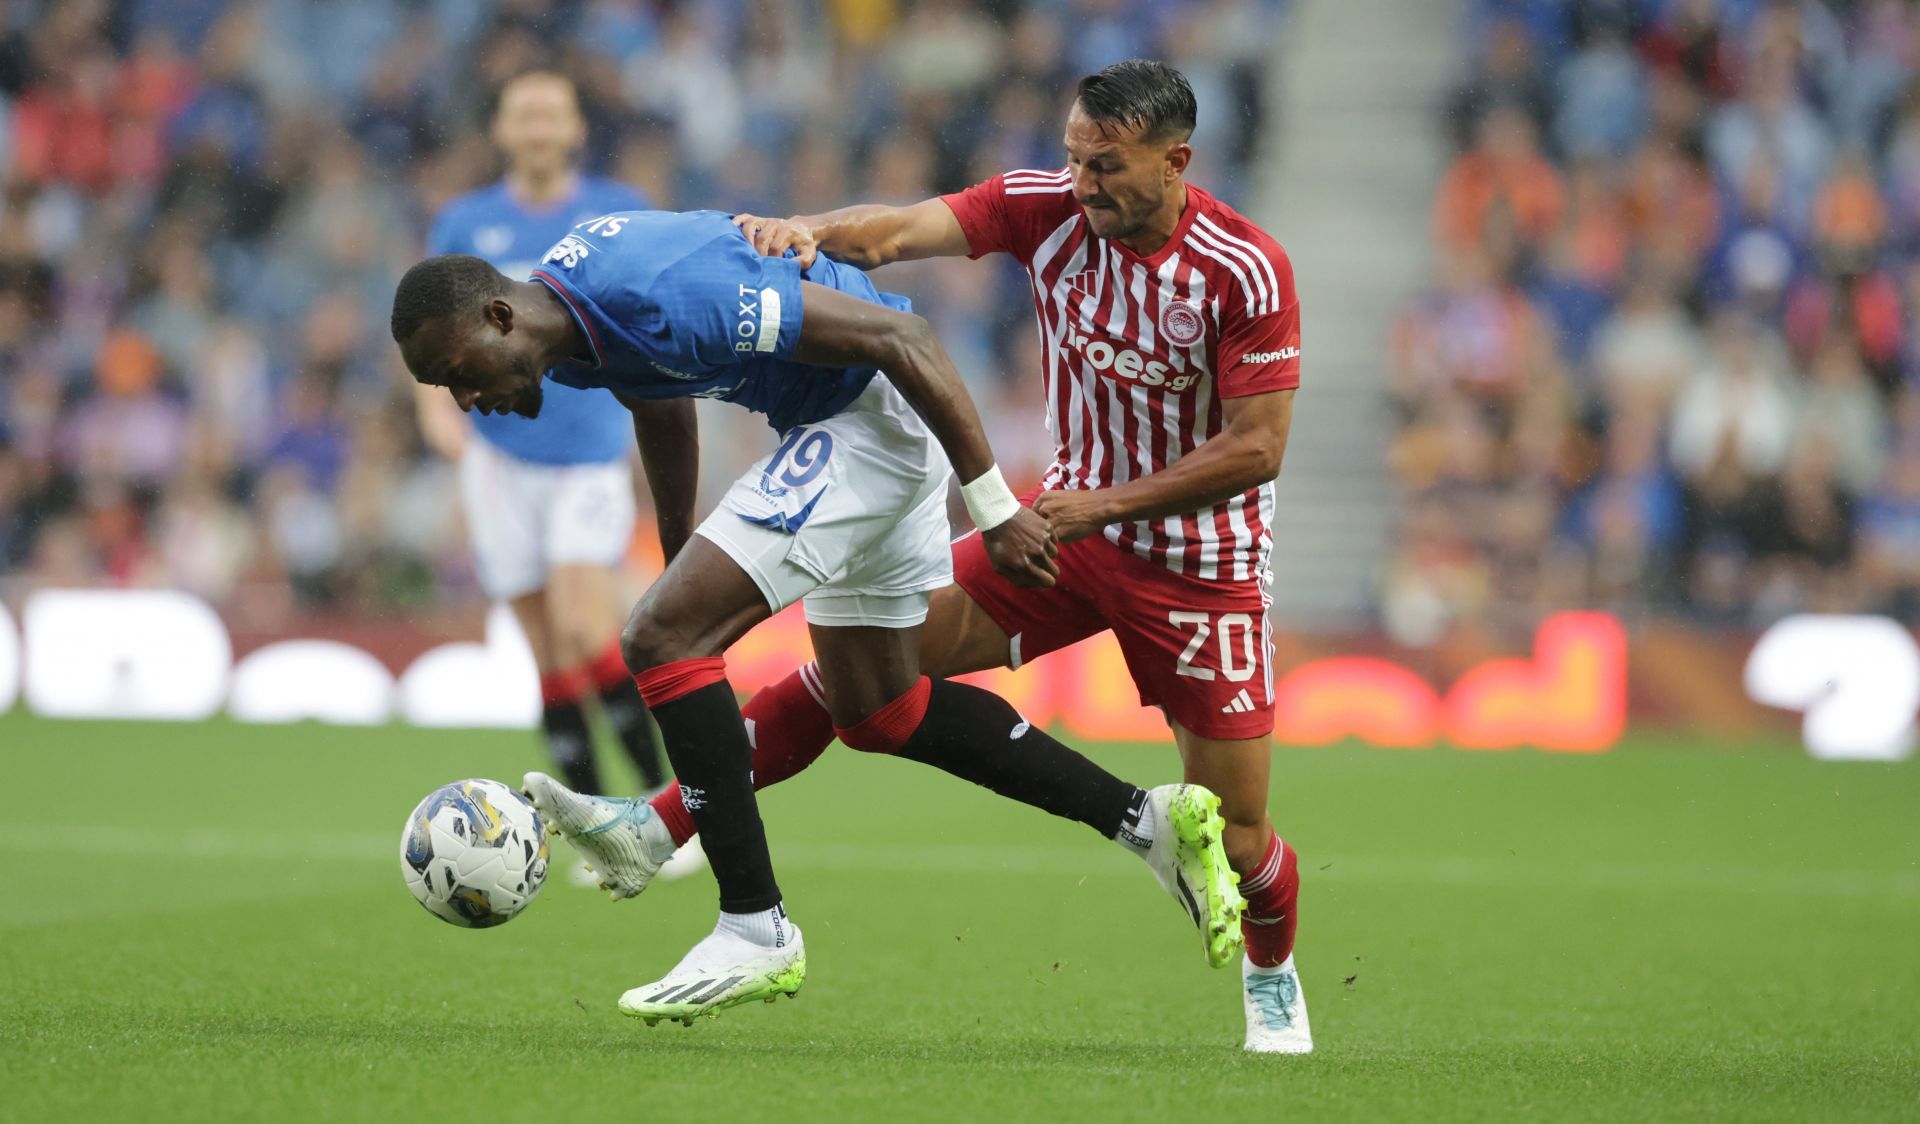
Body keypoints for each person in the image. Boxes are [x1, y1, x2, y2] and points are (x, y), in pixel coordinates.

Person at [388, 204, 1246, 1025]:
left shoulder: (653, 293)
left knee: (659, 638)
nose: (465, 401)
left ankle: (752, 925)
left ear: (499, 315)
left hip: (873, 413)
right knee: (878, 708)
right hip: (854, 418)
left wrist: (993, 509)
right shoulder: (568, 333)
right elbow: (659, 393)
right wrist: (684, 551)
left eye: (456, 374)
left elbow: (904, 336)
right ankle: (1146, 822)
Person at [678, 58, 1313, 1053]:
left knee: (1236, 835)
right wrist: (808, 231)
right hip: (1061, 540)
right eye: (1072, 156)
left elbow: (1257, 447)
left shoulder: (1245, 269)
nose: (1083, 181)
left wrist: (1095, 505)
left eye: (1105, 164)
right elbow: (895, 231)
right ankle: (672, 814)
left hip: (1200, 565)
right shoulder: (1045, 208)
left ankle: (1272, 974)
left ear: (1176, 160)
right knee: (868, 672)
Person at [415, 71, 669, 806]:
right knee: (545, 649)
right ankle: (593, 815)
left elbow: (654, 308)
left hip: (587, 448)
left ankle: (659, 803)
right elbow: (424, 333)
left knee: (586, 626)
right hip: (497, 453)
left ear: (575, 129)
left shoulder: (615, 213)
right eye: (522, 113)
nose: (536, 126)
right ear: (500, 130)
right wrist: (433, 411)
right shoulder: (464, 224)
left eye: (549, 113)